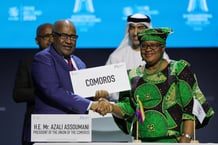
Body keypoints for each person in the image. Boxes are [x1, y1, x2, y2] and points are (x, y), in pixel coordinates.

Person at [96, 27, 215, 143]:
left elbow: (190, 107)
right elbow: (128, 108)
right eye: (144, 45)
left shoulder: (178, 70)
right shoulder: (133, 75)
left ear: (163, 47)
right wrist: (110, 107)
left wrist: (186, 137)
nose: (148, 49)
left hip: (175, 141)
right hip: (142, 141)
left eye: (153, 45)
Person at [31, 19, 108, 143]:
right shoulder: (43, 58)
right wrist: (91, 105)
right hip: (53, 131)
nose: (68, 41)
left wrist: (96, 97)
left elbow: (83, 93)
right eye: (64, 36)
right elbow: (53, 91)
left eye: (73, 37)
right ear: (53, 37)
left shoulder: (79, 62)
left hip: (80, 130)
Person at [106, 13, 169, 101]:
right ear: (128, 30)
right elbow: (109, 89)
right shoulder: (116, 57)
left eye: (140, 28)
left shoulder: (160, 56)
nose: (135, 33)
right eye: (132, 28)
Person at [13, 23, 53, 145]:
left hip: (62, 124)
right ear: (37, 40)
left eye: (53, 36)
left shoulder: (68, 62)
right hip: (36, 125)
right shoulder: (27, 63)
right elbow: (18, 94)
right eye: (46, 36)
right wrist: (46, 92)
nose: (51, 40)